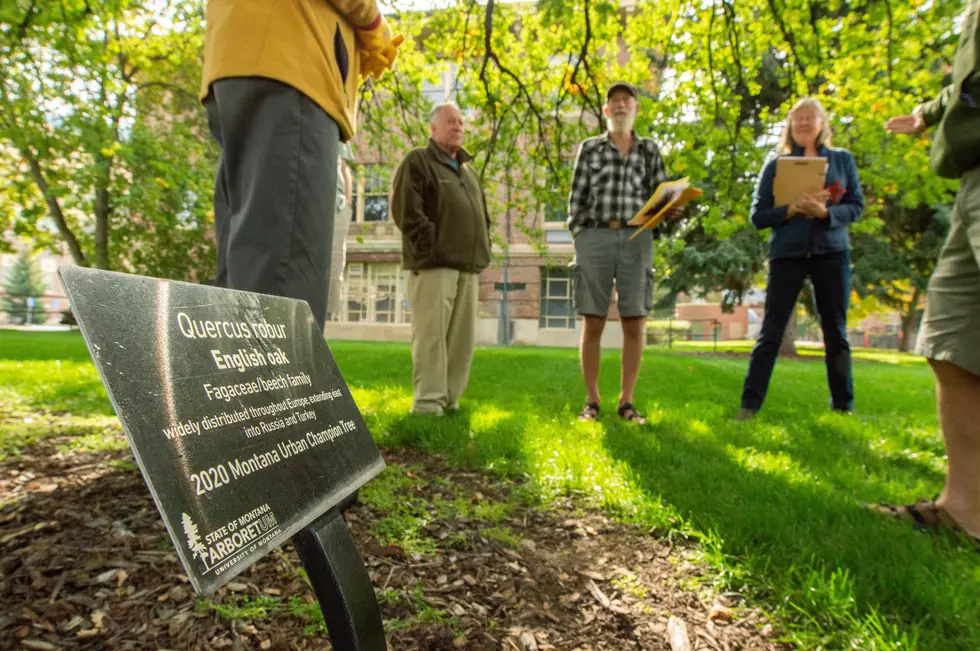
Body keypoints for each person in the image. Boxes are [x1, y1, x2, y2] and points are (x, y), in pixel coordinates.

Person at [201, 0, 403, 330]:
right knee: (287, 289)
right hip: (297, 63)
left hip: (236, 58)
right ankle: (277, 382)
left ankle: (247, 378)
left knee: (245, 273)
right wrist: (374, 26)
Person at [870, 0, 980, 545]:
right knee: (950, 340)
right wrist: (929, 114)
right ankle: (964, 510)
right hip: (970, 176)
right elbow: (965, 80)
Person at [737, 97, 865, 420]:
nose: (804, 124)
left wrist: (826, 213)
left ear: (822, 123)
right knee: (771, 331)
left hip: (831, 253)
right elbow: (758, 215)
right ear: (790, 127)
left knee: (835, 331)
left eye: (810, 118)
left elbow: (856, 206)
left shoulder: (842, 161)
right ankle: (749, 406)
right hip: (787, 255)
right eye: (798, 119)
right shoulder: (776, 164)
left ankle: (843, 407)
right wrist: (791, 210)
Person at [567, 82, 682, 425]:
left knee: (635, 320)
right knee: (594, 320)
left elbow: (660, 198)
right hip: (596, 237)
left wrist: (671, 211)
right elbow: (576, 198)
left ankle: (626, 403)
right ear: (605, 111)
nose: (619, 105)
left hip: (637, 239)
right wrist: (581, 236)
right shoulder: (590, 149)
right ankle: (591, 402)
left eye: (626, 101)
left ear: (636, 109)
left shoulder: (649, 150)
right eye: (613, 101)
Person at [390, 104, 492, 415]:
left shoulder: (468, 172)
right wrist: (430, 247)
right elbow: (407, 210)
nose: (458, 126)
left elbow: (482, 218)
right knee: (432, 338)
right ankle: (427, 403)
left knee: (461, 342)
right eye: (450, 121)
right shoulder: (419, 161)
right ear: (433, 129)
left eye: (461, 121)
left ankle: (449, 400)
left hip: (468, 267)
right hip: (433, 266)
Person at [327, 143, 355, 321]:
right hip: (313, 204)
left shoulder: (340, 133)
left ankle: (330, 313)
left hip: (338, 207)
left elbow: (345, 169)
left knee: (336, 262)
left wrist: (348, 202)